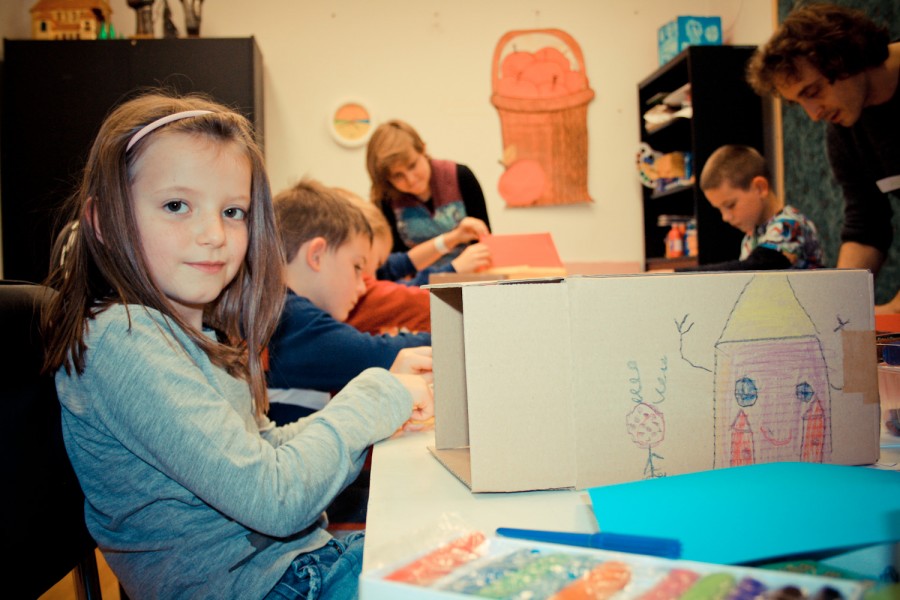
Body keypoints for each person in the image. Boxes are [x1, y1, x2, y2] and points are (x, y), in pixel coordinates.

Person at [40, 91, 433, 600]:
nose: (213, 234)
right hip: (265, 586)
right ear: (103, 223)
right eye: (176, 205)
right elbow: (274, 499)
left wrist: (378, 415)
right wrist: (377, 397)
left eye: (233, 211)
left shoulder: (197, 337)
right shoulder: (125, 338)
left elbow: (262, 450)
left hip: (297, 567)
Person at [745, 3, 899, 305]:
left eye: (813, 92)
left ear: (845, 56)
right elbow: (867, 225)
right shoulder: (844, 131)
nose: (813, 114)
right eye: (798, 102)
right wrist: (838, 305)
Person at [266, 178, 433, 424]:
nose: (363, 285)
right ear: (316, 255)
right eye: (357, 267)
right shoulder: (287, 318)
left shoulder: (282, 308)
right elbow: (373, 355)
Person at [366, 119, 492, 272]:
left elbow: (485, 241)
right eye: (397, 175)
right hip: (415, 284)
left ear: (423, 149)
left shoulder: (461, 176)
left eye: (412, 165)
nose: (411, 180)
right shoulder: (385, 198)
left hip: (471, 276)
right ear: (386, 179)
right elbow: (394, 265)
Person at [677, 145, 823, 272]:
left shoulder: (790, 225)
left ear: (760, 188)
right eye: (719, 209)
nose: (725, 217)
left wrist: (679, 274)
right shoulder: (751, 237)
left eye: (730, 205)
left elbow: (758, 266)